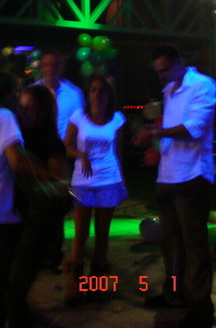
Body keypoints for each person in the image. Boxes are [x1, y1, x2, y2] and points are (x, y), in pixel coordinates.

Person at [133, 44, 216, 328]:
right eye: (158, 71)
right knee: (171, 245)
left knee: (194, 247)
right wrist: (155, 138)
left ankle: (200, 310)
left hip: (192, 176)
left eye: (165, 69)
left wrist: (154, 132)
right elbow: (170, 131)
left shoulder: (203, 85)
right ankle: (174, 295)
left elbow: (194, 128)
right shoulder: (170, 89)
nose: (161, 76)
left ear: (180, 61)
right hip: (168, 176)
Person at [0, 71, 53, 328]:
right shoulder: (3, 116)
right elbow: (16, 159)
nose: (19, 96)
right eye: (16, 90)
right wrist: (51, 177)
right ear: (7, 94)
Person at [6, 84, 69, 328]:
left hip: (37, 218)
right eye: (21, 106)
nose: (22, 112)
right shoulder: (17, 136)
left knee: (20, 277)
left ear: (43, 111)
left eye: (29, 107)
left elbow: (58, 184)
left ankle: (19, 318)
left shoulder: (50, 141)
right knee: (15, 276)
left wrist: (37, 174)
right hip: (18, 213)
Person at [63, 75, 127, 306]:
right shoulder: (79, 117)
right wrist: (82, 155)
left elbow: (118, 151)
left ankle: (96, 284)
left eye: (102, 90)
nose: (97, 94)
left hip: (108, 180)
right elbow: (67, 145)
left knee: (102, 235)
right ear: (88, 93)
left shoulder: (117, 119)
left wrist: (121, 179)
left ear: (109, 95)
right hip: (83, 182)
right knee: (80, 234)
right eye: (93, 90)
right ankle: (74, 284)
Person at [32, 50, 84, 270]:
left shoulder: (74, 94)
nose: (50, 69)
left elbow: (80, 124)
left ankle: (55, 251)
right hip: (39, 154)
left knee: (58, 203)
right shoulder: (33, 92)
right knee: (38, 202)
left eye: (54, 65)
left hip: (62, 155)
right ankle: (41, 249)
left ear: (62, 67)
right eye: (46, 65)